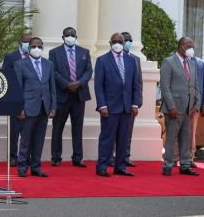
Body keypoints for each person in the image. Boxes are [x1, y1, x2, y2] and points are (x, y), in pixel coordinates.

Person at [94, 33, 139, 177]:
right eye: (115, 41)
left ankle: (120, 166)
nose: (118, 43)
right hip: (109, 107)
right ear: (110, 43)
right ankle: (102, 166)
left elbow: (135, 84)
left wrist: (135, 104)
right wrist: (102, 106)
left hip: (126, 107)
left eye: (120, 41)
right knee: (107, 138)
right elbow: (98, 85)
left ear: (124, 42)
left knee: (123, 138)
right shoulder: (102, 60)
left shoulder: (131, 60)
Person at [49, 27, 92, 168]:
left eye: (72, 34)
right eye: (67, 35)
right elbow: (53, 72)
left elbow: (88, 71)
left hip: (79, 95)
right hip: (62, 95)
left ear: (76, 36)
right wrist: (67, 84)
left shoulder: (84, 52)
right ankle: (56, 157)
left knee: (77, 128)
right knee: (57, 128)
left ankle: (77, 157)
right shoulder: (54, 53)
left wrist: (79, 83)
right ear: (63, 37)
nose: (70, 37)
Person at [14, 37, 56, 178]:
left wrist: (53, 107)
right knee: (26, 139)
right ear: (29, 48)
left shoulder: (48, 64)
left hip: (44, 107)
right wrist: (19, 108)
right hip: (28, 107)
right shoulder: (20, 64)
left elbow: (52, 88)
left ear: (43, 48)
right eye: (33, 46)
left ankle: (36, 167)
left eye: (39, 46)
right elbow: (17, 89)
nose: (36, 49)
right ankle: (22, 166)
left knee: (39, 139)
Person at [160, 37, 200, 176]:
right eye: (188, 46)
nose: (191, 49)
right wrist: (171, 106)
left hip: (189, 108)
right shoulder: (168, 62)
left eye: (192, 46)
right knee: (171, 138)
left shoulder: (192, 64)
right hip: (174, 109)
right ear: (180, 46)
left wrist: (197, 103)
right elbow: (165, 87)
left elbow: (195, 85)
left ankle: (185, 165)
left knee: (186, 138)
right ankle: (168, 165)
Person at [109, 32, 143, 167]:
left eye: (130, 40)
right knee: (111, 132)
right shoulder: (108, 58)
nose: (128, 42)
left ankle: (125, 156)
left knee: (127, 132)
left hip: (129, 104)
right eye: (126, 40)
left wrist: (137, 102)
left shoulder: (135, 59)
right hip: (113, 103)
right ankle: (111, 156)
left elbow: (138, 82)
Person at [2, 32, 32, 167]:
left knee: (28, 130)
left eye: (29, 42)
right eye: (25, 41)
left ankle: (25, 156)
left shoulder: (34, 56)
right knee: (14, 131)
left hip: (31, 98)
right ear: (20, 42)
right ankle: (13, 156)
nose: (27, 44)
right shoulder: (11, 57)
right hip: (15, 97)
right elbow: (5, 77)